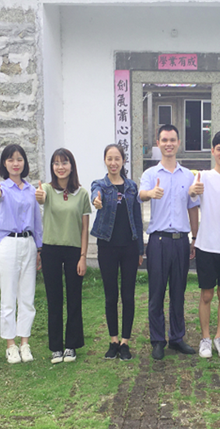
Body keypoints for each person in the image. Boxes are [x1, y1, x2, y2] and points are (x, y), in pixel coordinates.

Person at [139, 124, 199, 360]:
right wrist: (150, 194)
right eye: (164, 140)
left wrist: (195, 238)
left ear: (179, 142)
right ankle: (157, 340)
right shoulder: (150, 174)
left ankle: (176, 337)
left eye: (172, 140)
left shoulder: (188, 176)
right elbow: (141, 194)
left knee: (178, 292)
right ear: (158, 143)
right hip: (159, 240)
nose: (169, 144)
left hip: (181, 241)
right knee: (156, 292)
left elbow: (193, 207)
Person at [36, 148, 91, 364]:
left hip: (74, 250)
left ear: (71, 166)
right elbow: (40, 199)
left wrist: (83, 256)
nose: (60, 167)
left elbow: (84, 228)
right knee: (54, 298)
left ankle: (71, 345)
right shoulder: (46, 190)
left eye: (64, 162)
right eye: (56, 163)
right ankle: (56, 347)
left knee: (74, 298)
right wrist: (39, 196)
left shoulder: (82, 193)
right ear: (52, 167)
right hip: (50, 249)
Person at [189, 130, 220, 359]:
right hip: (206, 245)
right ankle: (205, 338)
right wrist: (193, 190)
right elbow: (191, 197)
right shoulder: (203, 177)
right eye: (219, 149)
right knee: (207, 294)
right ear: (212, 151)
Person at [0, 144, 43, 364]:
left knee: (27, 296)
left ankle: (25, 343)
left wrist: (39, 248)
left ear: (25, 163)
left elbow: (37, 221)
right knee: (8, 296)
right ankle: (10, 345)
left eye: (19, 159)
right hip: (8, 244)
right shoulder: (2, 188)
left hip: (28, 243)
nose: (15, 163)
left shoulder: (32, 190)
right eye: (11, 159)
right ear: (5, 163)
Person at [91, 144, 144, 361]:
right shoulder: (100, 185)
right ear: (105, 160)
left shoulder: (131, 187)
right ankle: (113, 340)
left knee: (128, 296)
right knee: (111, 295)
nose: (113, 163)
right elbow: (95, 196)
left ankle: (125, 342)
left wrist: (140, 249)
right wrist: (96, 200)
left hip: (129, 247)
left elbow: (137, 218)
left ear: (123, 161)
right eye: (109, 159)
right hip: (107, 246)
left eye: (117, 159)